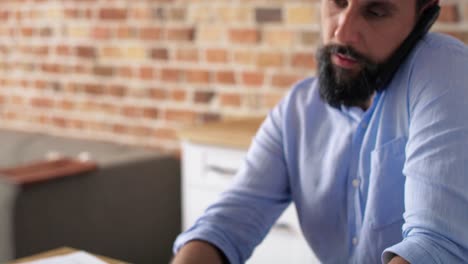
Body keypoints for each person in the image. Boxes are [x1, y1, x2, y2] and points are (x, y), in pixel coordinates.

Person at [172, 0, 468, 263]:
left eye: (376, 11)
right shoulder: (298, 109)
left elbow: (436, 248)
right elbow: (225, 225)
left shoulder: (444, 69)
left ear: (423, 17)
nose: (342, 32)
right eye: (338, 3)